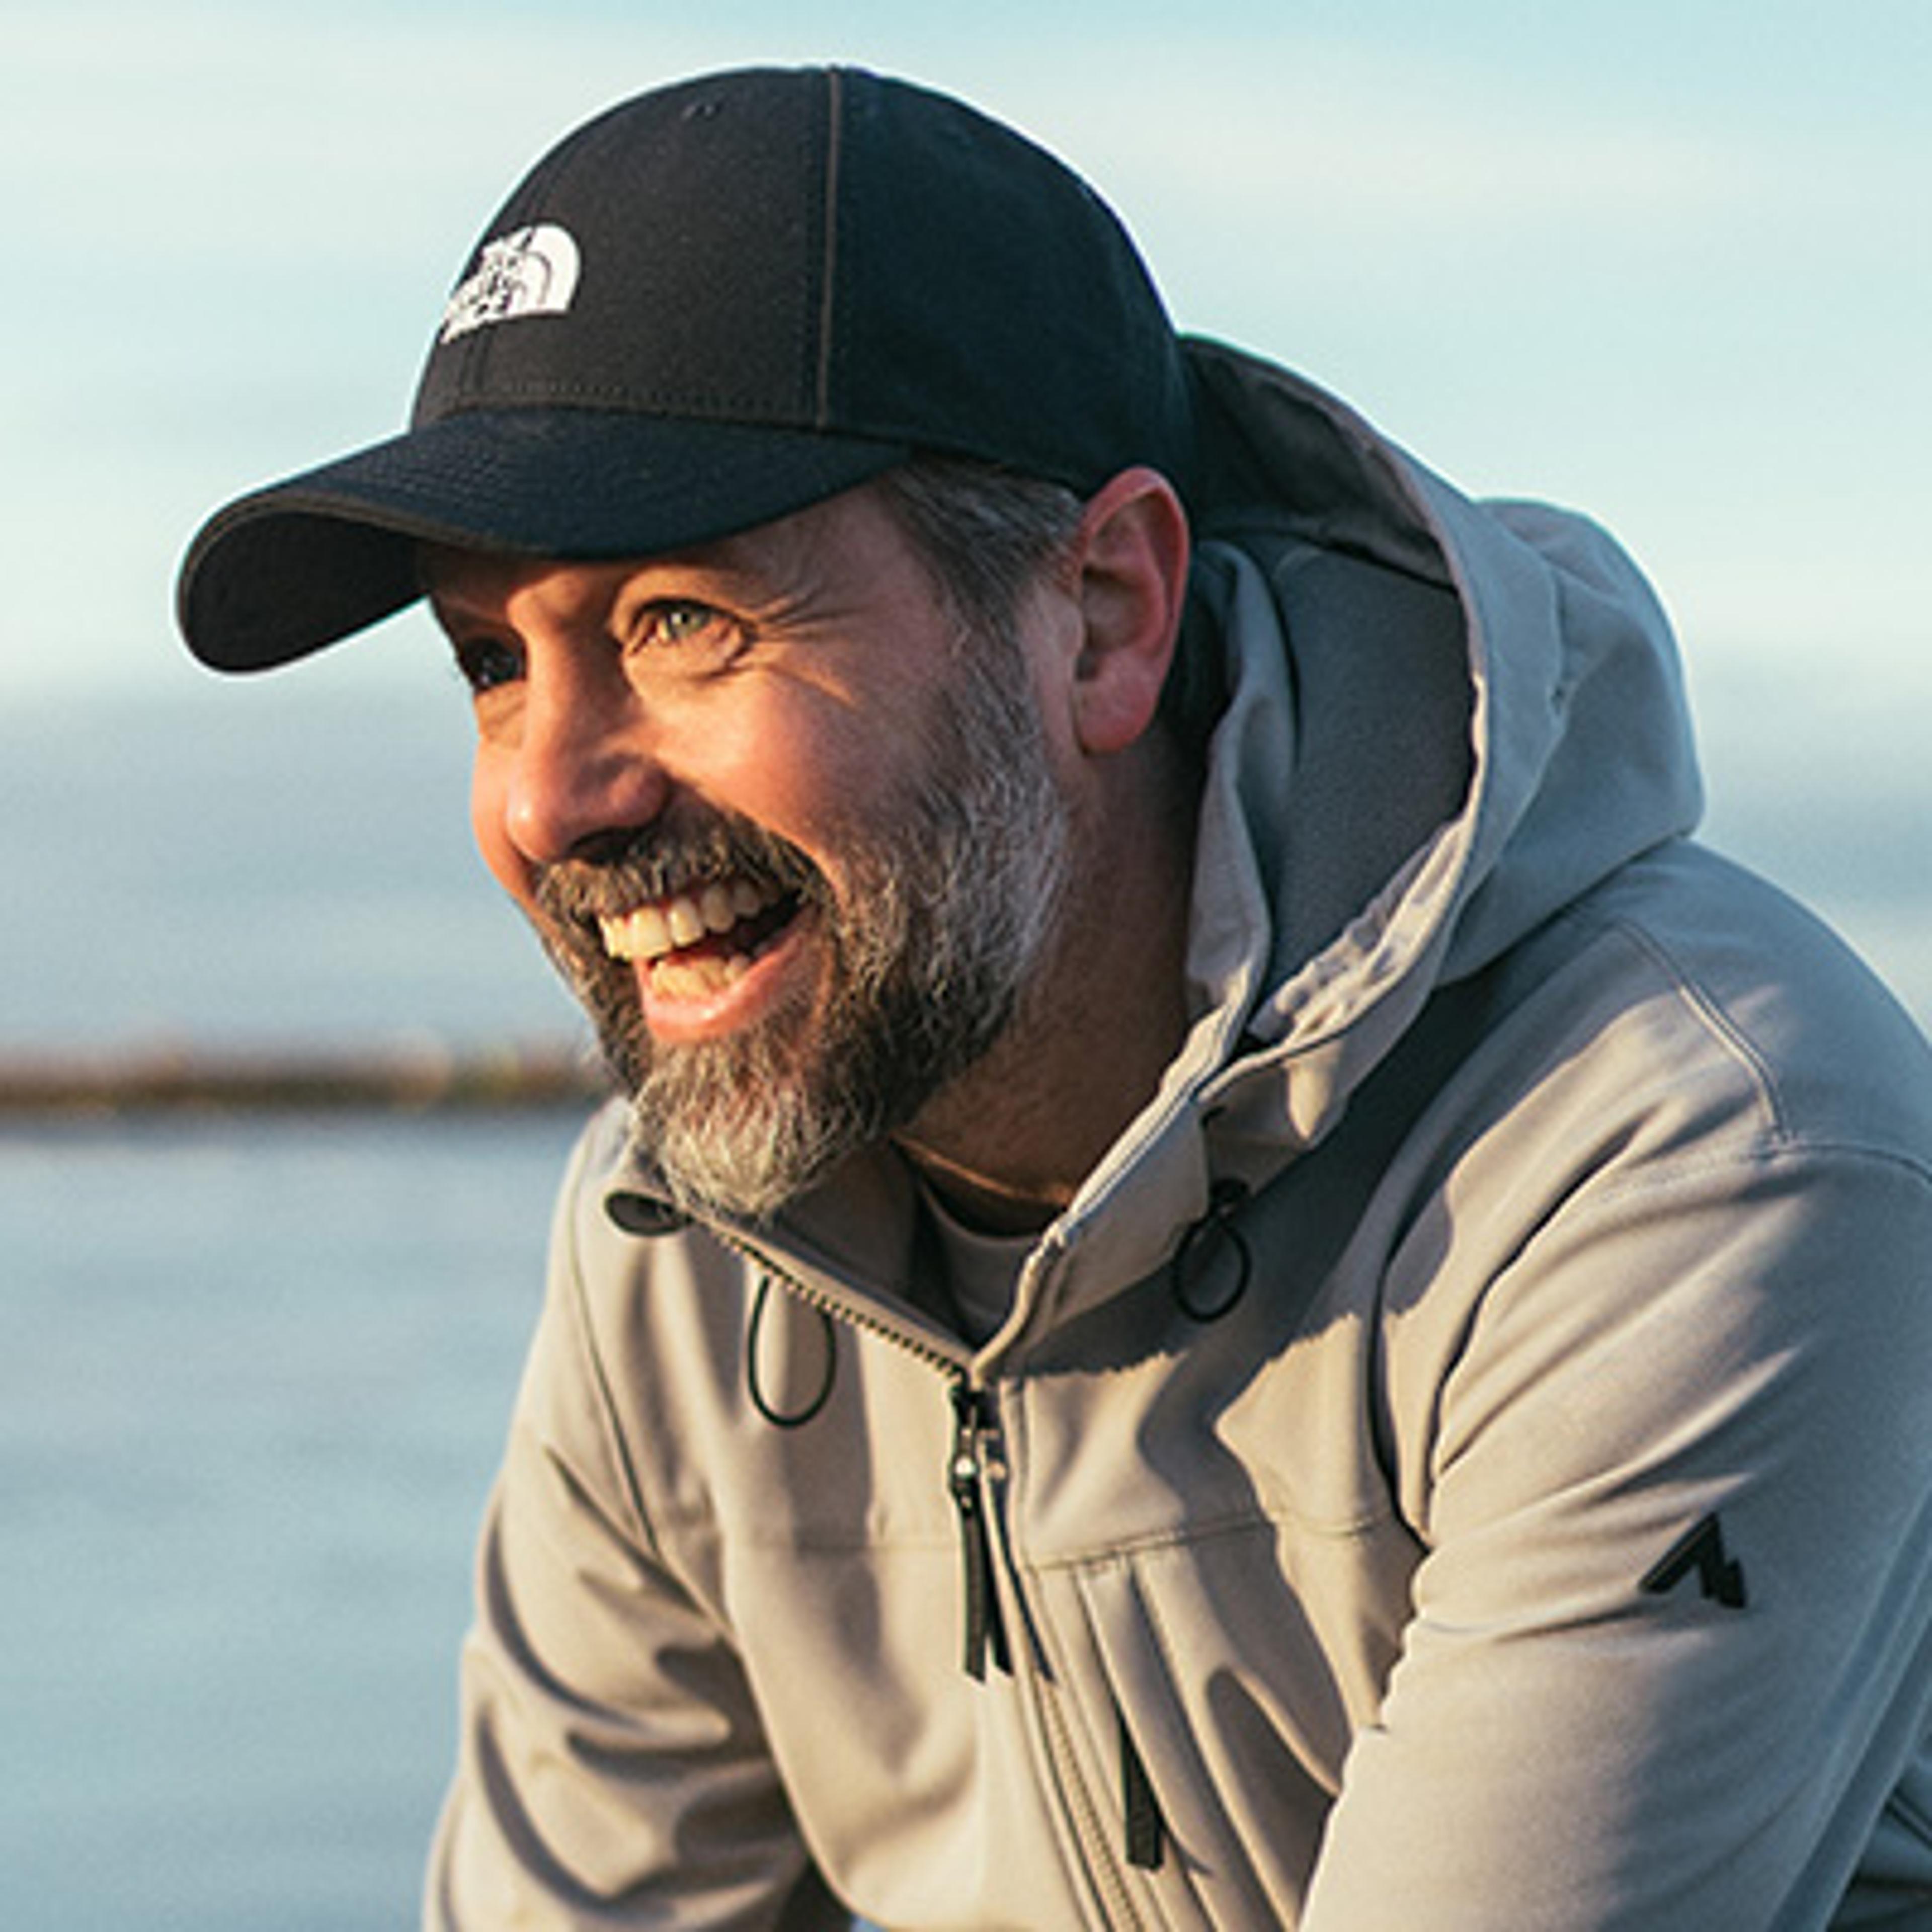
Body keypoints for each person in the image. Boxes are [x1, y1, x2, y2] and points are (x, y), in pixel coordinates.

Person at [176, 64, 1932, 1931]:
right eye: (490, 663)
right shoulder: (677, 1251)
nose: (549, 795)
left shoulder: (1685, 1164)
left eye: (681, 623)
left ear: (1101, 612)